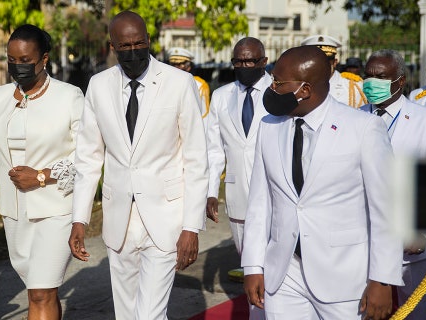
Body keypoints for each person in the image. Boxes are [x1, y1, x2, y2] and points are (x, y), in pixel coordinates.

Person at [242, 45, 403, 319]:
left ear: (304, 90)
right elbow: (260, 202)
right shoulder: (269, 126)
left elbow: (385, 210)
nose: (271, 88)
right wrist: (253, 266)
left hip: (344, 278)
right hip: (284, 273)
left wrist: (382, 279)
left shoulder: (363, 128)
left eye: (278, 83)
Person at [69, 11, 208, 320]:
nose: (132, 51)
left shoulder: (179, 83)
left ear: (149, 41)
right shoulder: (98, 86)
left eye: (138, 43)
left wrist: (191, 227)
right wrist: (79, 219)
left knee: (149, 315)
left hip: (166, 218)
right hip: (118, 220)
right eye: (124, 45)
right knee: (126, 313)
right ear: (112, 46)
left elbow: (197, 160)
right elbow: (88, 159)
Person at [0, 24, 83, 320]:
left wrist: (42, 176)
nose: (18, 66)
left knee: (41, 292)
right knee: (37, 288)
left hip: (56, 208)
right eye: (12, 60)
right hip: (15, 212)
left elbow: (87, 156)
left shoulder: (69, 96)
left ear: (44, 59)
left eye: (25, 60)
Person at [361, 49, 426, 320]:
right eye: (369, 76)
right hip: (364, 235)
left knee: (414, 312)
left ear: (400, 81)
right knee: (364, 309)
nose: (372, 82)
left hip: (408, 240)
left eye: (381, 76)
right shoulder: (356, 116)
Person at [204, 37, 268, 319]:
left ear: (263, 62)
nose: (244, 66)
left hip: (275, 194)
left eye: (250, 61)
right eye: (238, 61)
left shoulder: (279, 90)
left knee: (277, 266)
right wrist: (209, 192)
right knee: (250, 267)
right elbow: (214, 150)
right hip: (238, 195)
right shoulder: (221, 96)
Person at [301, 35, 367, 108]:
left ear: (334, 62)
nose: (319, 65)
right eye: (314, 61)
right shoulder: (298, 87)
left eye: (325, 61)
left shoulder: (354, 88)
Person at [167, 47, 210, 119]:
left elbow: (204, 116)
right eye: (173, 64)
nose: (175, 67)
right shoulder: (165, 83)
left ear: (188, 67)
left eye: (180, 64)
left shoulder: (200, 85)